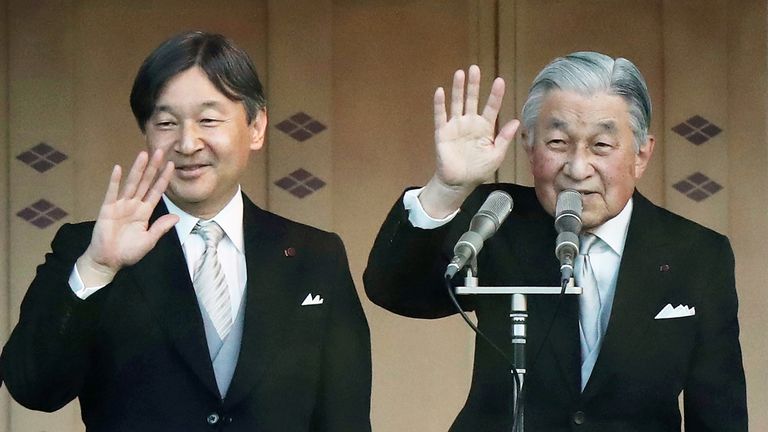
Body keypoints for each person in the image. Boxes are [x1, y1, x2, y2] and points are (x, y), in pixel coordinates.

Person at [1, 31, 371, 432]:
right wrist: (98, 268)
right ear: (146, 131)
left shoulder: (316, 256)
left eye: (208, 120)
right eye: (166, 122)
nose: (188, 143)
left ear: (257, 126)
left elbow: (345, 418)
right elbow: (33, 388)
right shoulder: (86, 248)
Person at [364, 52, 747, 431]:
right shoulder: (498, 219)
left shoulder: (697, 255)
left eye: (601, 146)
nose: (577, 169)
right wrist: (446, 189)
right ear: (530, 147)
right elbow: (395, 290)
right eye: (558, 143)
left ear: (642, 154)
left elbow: (718, 411)